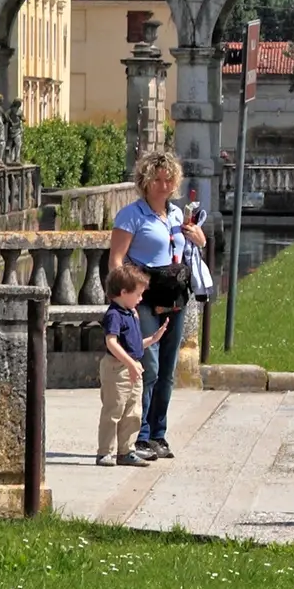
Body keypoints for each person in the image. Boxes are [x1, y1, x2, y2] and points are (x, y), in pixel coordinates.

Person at [106, 151, 197, 461]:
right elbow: (116, 260)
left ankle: (158, 433)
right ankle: (140, 435)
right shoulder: (131, 215)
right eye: (156, 179)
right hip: (143, 300)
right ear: (144, 182)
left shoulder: (176, 215)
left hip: (174, 298)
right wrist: (122, 301)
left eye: (168, 179)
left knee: (168, 371)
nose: (162, 185)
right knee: (149, 367)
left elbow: (188, 249)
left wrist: (198, 237)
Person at [95, 261, 155, 466]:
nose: (140, 298)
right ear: (123, 292)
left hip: (133, 366)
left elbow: (134, 344)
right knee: (114, 410)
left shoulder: (131, 313)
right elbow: (111, 342)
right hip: (117, 367)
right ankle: (105, 451)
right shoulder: (114, 315)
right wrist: (129, 363)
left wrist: (152, 339)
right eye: (137, 294)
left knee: (133, 411)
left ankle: (126, 450)